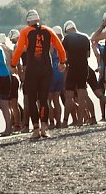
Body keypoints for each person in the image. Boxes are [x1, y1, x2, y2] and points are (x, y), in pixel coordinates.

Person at [11, 10, 67, 139]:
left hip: (32, 70)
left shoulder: (25, 32)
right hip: (46, 69)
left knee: (31, 100)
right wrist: (62, 62)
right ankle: (44, 128)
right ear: (38, 20)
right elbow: (60, 47)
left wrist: (13, 64)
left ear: (28, 22)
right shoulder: (48, 30)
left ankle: (36, 129)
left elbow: (19, 49)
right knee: (44, 99)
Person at [62, 21, 92, 127]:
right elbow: (88, 54)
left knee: (69, 95)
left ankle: (65, 121)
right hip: (84, 67)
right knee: (82, 95)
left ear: (67, 30)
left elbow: (63, 54)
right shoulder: (85, 37)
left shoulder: (67, 38)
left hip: (72, 68)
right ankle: (80, 121)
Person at [48, 26, 66, 128]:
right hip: (60, 73)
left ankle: (51, 122)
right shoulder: (62, 45)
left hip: (51, 74)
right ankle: (59, 122)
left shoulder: (51, 44)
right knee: (56, 100)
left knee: (48, 100)